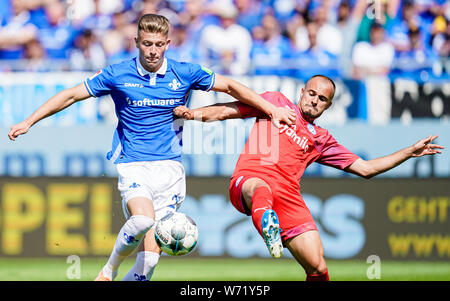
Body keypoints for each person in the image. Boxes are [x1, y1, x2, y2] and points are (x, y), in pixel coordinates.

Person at [8, 13, 296, 281]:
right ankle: (107, 272)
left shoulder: (185, 72)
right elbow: (71, 95)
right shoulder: (117, 74)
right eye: (147, 44)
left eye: (159, 44)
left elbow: (232, 87)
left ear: (168, 44)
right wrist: (29, 121)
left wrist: (271, 109)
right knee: (143, 219)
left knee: (149, 263)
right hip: (134, 163)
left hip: (171, 168)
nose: (153, 50)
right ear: (136, 42)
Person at [173, 75, 444, 281]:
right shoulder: (276, 103)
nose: (314, 100)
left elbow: (366, 169)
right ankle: (266, 220)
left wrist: (409, 152)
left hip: (288, 197)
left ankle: (270, 220)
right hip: (250, 180)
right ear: (301, 92)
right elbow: (228, 110)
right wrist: (193, 114)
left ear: (328, 105)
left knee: (318, 267)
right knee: (261, 188)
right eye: (311, 93)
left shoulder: (322, 139)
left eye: (322, 99)